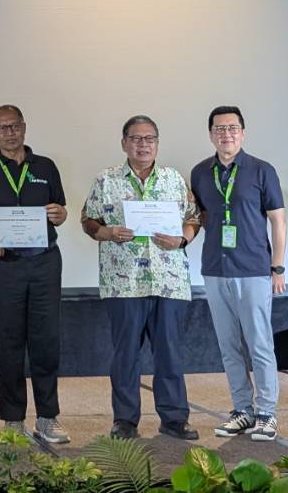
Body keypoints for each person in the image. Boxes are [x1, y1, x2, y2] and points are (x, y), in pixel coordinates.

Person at [80, 114, 199, 442]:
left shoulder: (174, 179)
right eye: (136, 138)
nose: (143, 144)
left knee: (169, 353)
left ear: (157, 143)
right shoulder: (106, 180)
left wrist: (182, 239)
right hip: (124, 282)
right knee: (126, 355)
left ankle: (174, 419)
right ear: (124, 143)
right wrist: (106, 232)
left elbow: (193, 218)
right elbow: (88, 220)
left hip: (169, 280)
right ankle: (125, 420)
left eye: (149, 139)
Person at [0, 105, 70, 443]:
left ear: (24, 127)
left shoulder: (46, 167)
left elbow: (60, 211)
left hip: (44, 261)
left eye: (14, 126)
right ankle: (13, 420)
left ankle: (48, 417)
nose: (9, 133)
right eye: (2, 128)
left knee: (46, 341)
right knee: (9, 341)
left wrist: (61, 215)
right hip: (5, 265)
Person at [189, 106, 286, 443]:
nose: (226, 134)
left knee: (259, 345)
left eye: (232, 128)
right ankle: (242, 410)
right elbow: (200, 217)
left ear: (243, 133)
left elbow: (278, 221)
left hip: (253, 269)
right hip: (215, 270)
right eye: (219, 129)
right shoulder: (200, 173)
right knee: (229, 346)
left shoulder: (261, 170)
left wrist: (278, 267)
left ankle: (267, 413)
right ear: (210, 134)